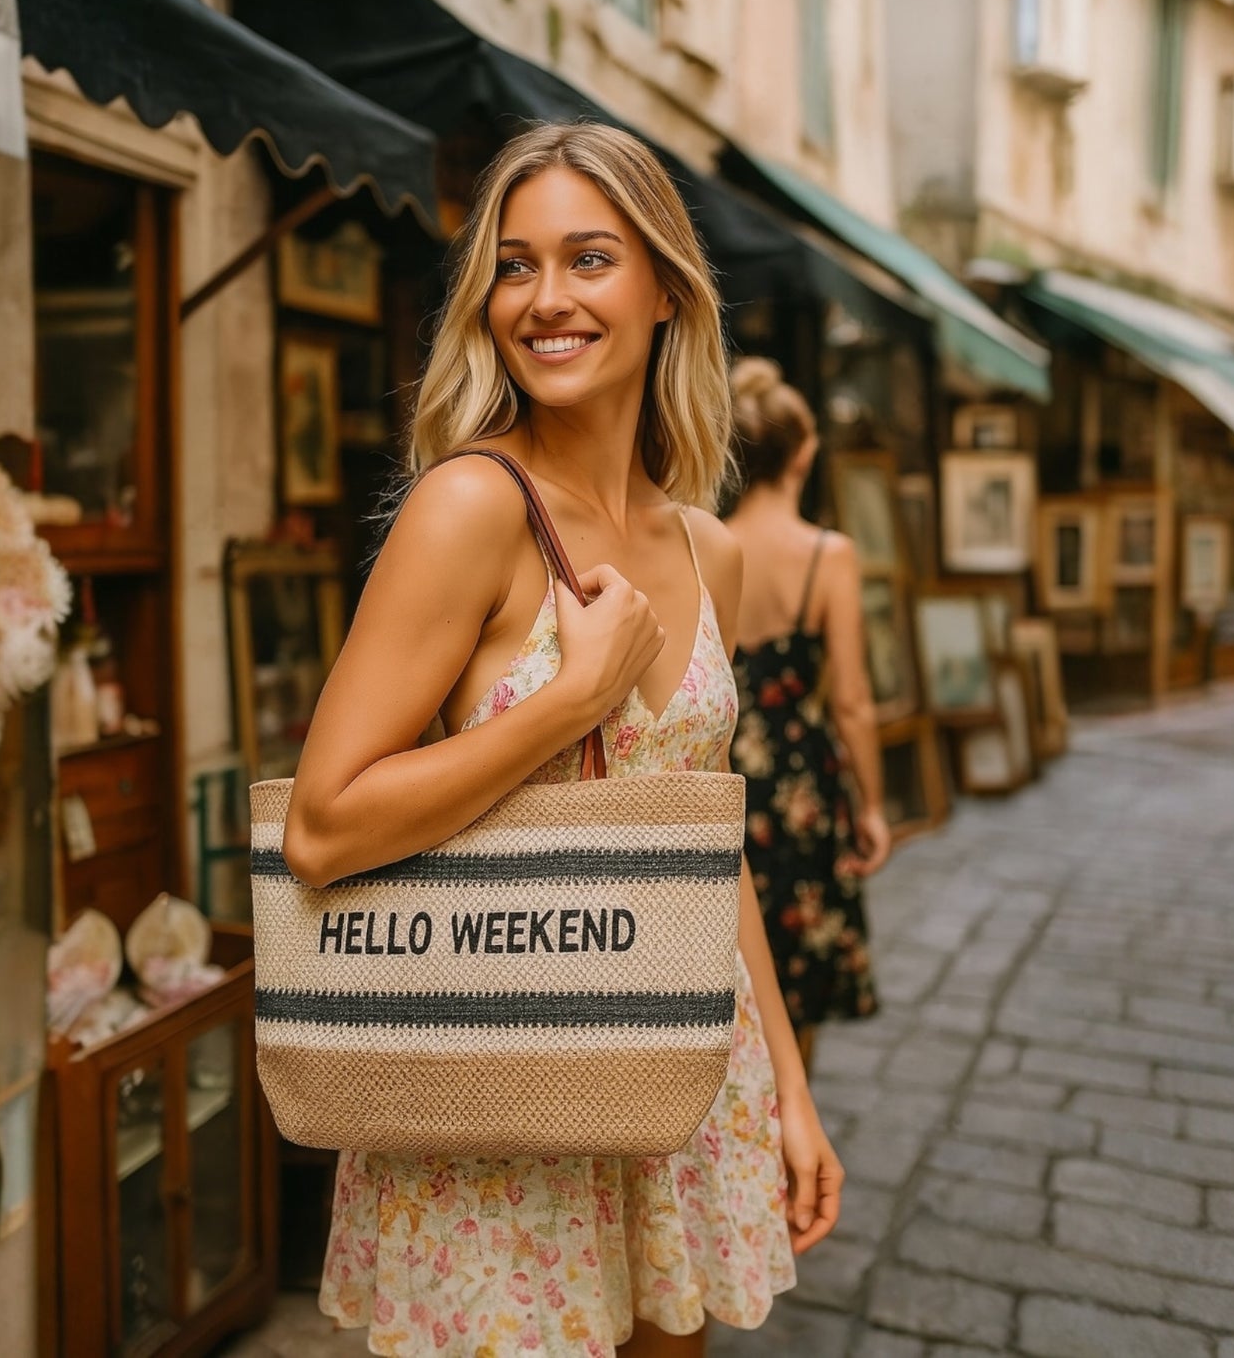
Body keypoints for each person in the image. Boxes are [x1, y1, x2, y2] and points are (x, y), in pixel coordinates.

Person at [282, 125, 843, 1358]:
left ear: (661, 288)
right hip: (494, 1080)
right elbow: (320, 825)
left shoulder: (713, 548)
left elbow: (706, 846)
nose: (545, 299)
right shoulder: (469, 506)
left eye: (589, 258)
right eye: (514, 264)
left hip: (676, 1067)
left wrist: (791, 1089)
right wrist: (563, 703)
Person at [724, 359, 892, 1068]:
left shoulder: (703, 541)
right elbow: (851, 699)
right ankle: (793, 1138)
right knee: (796, 984)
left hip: (722, 774)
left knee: (728, 982)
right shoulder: (829, 555)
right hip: (799, 787)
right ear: (801, 453)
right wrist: (874, 805)